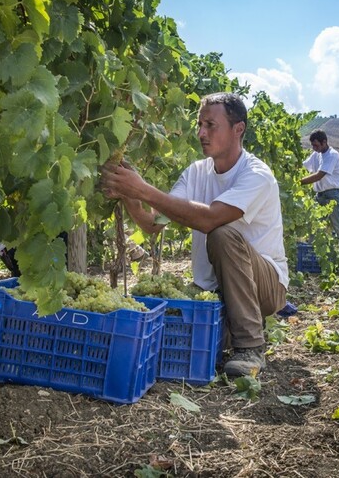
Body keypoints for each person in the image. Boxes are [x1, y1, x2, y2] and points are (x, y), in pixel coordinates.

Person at [99, 92, 288, 377]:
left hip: (265, 285)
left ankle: (250, 347)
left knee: (221, 233)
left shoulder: (256, 174)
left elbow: (209, 219)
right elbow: (153, 224)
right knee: (176, 343)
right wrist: (130, 194)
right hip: (212, 289)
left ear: (239, 129)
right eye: (199, 124)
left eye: (211, 125)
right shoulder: (196, 172)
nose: (201, 133)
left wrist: (143, 189)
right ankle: (235, 326)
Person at [300, 130, 339, 266]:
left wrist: (298, 182)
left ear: (324, 142)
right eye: (312, 145)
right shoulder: (316, 154)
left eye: (316, 145)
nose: (314, 148)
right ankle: (313, 259)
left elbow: (319, 175)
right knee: (314, 228)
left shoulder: (332, 155)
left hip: (332, 196)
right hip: (320, 196)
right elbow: (303, 165)